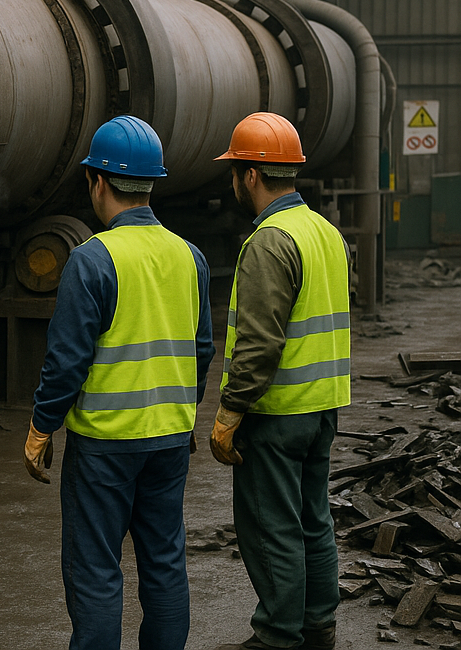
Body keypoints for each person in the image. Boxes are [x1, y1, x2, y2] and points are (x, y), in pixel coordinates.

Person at [23, 115, 214, 650]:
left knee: (96, 570)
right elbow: (201, 350)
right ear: (151, 183)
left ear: (97, 181)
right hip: (169, 441)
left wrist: (41, 427)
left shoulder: (91, 260)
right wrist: (183, 414)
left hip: (104, 446)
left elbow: (67, 361)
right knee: (164, 562)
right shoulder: (190, 256)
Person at [209, 112, 351, 650]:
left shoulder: (270, 241)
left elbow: (259, 342)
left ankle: (277, 636)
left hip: (276, 413)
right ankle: (317, 626)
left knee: (272, 527)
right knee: (313, 520)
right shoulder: (326, 232)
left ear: (250, 174)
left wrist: (230, 412)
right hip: (322, 406)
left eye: (235, 170)